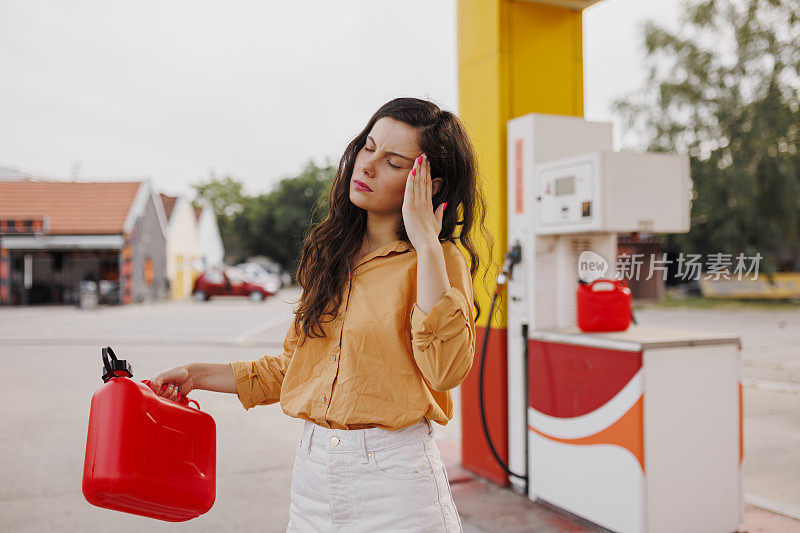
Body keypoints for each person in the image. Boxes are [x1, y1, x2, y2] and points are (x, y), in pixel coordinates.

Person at [147, 97, 495, 532]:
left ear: (430, 183)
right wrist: (197, 374)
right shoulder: (331, 256)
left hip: (397, 484)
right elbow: (296, 370)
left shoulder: (439, 260)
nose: (366, 167)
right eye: (368, 148)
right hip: (313, 480)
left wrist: (425, 243)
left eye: (392, 161)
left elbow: (444, 372)